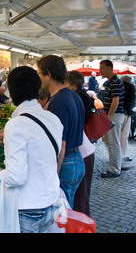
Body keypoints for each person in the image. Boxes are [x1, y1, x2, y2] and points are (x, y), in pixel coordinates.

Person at [0, 66, 63, 233]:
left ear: (12, 91)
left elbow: (15, 177)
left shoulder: (16, 124)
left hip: (29, 209)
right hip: (53, 202)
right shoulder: (53, 119)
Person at [36, 55, 85, 208]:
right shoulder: (74, 96)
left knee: (62, 212)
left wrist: (54, 174)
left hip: (66, 163)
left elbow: (61, 144)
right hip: (78, 159)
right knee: (67, 206)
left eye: (39, 74)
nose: (38, 78)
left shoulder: (57, 102)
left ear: (48, 75)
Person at [65, 70, 96, 217]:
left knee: (80, 197)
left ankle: (81, 225)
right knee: (82, 196)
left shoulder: (72, 97)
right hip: (84, 149)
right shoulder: (78, 96)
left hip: (80, 151)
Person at [99, 60, 125, 178]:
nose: (100, 71)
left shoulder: (115, 82)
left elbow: (115, 101)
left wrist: (108, 117)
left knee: (113, 142)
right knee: (110, 141)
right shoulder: (110, 82)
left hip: (114, 115)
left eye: (103, 68)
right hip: (112, 115)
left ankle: (114, 169)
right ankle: (115, 165)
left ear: (110, 68)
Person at [120, 75, 135, 167]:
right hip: (127, 113)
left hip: (118, 113)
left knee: (117, 136)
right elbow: (132, 100)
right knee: (124, 136)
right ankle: (124, 155)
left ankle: (118, 156)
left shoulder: (119, 86)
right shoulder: (131, 87)